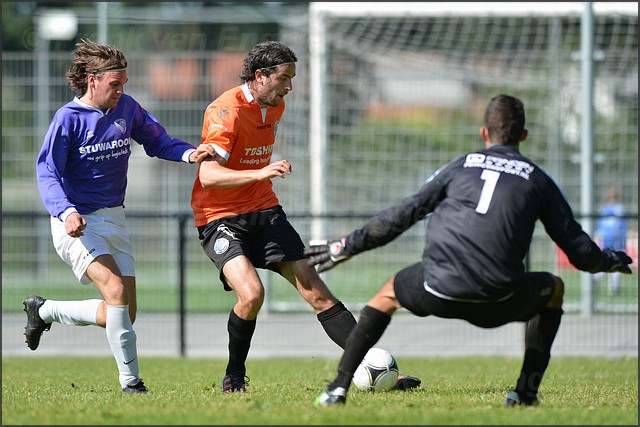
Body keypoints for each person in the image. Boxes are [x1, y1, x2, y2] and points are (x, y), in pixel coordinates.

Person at [306, 94, 633, 408]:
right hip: (500, 299)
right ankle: (525, 393)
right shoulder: (539, 180)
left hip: (438, 289)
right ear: (523, 135)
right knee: (555, 289)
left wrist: (346, 245)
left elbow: (405, 213)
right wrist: (608, 261)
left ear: (483, 133)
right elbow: (578, 251)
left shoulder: (461, 165)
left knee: (388, 293)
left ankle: (337, 389)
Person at [190, 40, 420, 393]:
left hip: (264, 210)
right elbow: (208, 176)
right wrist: (260, 172)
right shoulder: (225, 111)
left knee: (318, 293)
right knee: (251, 295)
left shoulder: (275, 106)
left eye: (292, 78)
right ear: (260, 76)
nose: (290, 87)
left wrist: (260, 179)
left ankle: (374, 368)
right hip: (220, 216)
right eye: (284, 78)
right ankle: (234, 373)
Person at [27, 38, 215, 394]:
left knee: (123, 314)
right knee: (114, 292)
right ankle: (132, 384)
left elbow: (158, 141)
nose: (120, 90)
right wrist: (66, 211)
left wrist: (191, 154)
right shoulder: (67, 119)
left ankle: (45, 311)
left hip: (114, 218)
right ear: (92, 79)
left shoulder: (127, 107)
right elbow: (47, 172)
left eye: (124, 83)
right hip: (76, 223)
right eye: (115, 83)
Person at [594, 186, 628, 295]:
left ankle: (600, 281)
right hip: (614, 239)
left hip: (609, 239)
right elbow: (622, 226)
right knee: (616, 260)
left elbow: (600, 226)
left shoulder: (605, 209)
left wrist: (598, 235)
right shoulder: (619, 209)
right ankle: (612, 286)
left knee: (605, 260)